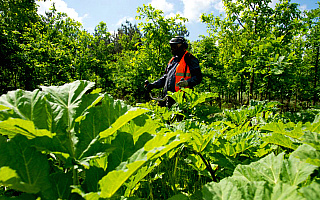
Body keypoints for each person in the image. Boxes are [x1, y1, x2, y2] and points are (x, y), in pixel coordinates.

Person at [145, 36, 202, 107]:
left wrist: (187, 82)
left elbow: (198, 77)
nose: (172, 48)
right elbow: (165, 78)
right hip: (168, 98)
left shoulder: (189, 59)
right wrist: (153, 85)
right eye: (171, 46)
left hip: (182, 100)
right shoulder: (172, 60)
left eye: (175, 46)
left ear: (183, 46)